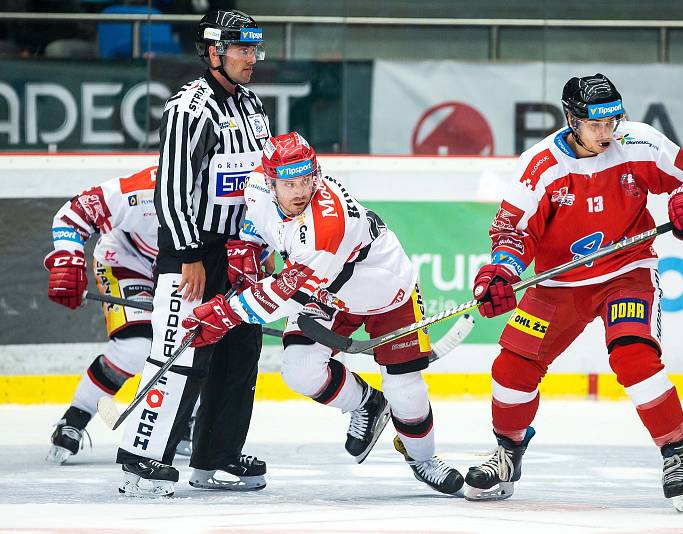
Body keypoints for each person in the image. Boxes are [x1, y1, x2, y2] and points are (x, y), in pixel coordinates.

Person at [463, 73, 683, 512]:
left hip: (626, 271)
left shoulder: (638, 143)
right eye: (595, 123)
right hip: (559, 283)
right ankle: (507, 453)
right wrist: (501, 272)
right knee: (512, 367)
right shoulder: (540, 165)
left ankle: (676, 454)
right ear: (571, 120)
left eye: (612, 120)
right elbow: (513, 232)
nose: (606, 132)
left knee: (633, 354)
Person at [180, 131, 465, 496]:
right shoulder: (254, 188)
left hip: (386, 289)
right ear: (270, 182)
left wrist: (225, 314)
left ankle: (423, 460)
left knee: (405, 389)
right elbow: (257, 227)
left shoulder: (326, 225)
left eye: (306, 180)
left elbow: (284, 294)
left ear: (316, 174)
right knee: (299, 369)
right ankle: (367, 403)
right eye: (289, 183)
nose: (300, 191)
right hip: (330, 293)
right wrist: (247, 250)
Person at [115, 9, 271, 497]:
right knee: (180, 354)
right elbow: (173, 191)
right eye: (242, 49)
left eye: (253, 49)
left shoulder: (251, 106)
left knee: (240, 353)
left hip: (240, 251)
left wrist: (263, 244)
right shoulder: (190, 107)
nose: (251, 58)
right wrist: (188, 256)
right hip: (195, 250)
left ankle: (215, 458)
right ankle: (142, 459)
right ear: (213, 52)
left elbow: (261, 183)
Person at [44, 166, 168, 463]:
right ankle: (76, 416)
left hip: (190, 271)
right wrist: (68, 259)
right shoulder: (141, 191)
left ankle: (186, 417)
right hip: (127, 261)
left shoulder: (230, 190)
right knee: (135, 348)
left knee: (196, 345)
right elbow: (73, 213)